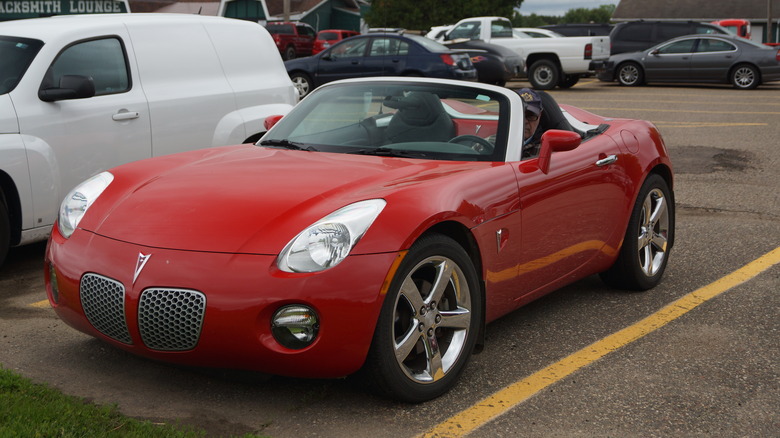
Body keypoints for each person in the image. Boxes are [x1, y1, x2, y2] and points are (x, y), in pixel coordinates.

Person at [517, 87, 543, 158]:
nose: (525, 121)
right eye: (520, 114)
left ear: (540, 116)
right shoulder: (494, 142)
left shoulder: (545, 150)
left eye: (531, 116)